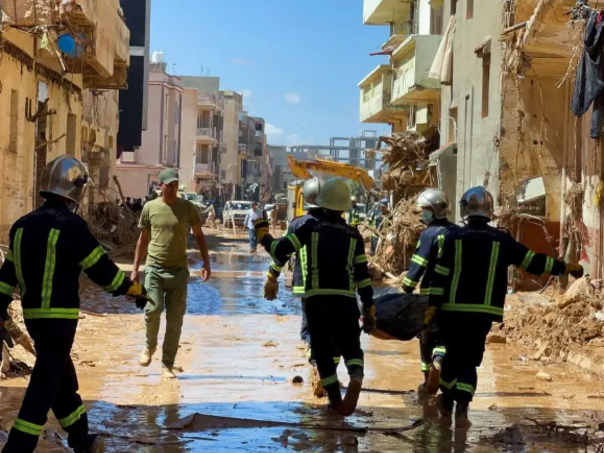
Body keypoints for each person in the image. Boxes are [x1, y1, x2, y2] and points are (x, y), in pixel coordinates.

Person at [0, 155, 148, 453]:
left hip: (33, 319)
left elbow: (6, 278)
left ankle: (82, 439)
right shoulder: (72, 226)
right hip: (60, 320)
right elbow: (102, 271)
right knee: (43, 387)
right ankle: (17, 448)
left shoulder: (21, 226)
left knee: (61, 378)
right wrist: (134, 289)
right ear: (76, 189)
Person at [430, 186, 584, 428]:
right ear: (490, 211)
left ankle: (447, 400)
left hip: (452, 310)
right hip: (483, 313)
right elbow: (532, 262)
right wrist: (565, 267)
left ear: (465, 209)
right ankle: (462, 409)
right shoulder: (502, 240)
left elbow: (439, 277)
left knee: (452, 356)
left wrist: (432, 308)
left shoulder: (452, 239)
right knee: (470, 360)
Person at [256, 179, 375, 416]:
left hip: (316, 299)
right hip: (346, 299)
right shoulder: (353, 234)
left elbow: (280, 251)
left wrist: (263, 236)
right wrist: (369, 308)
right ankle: (357, 376)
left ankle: (335, 401)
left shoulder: (308, 227)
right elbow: (363, 277)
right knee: (351, 346)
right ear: (344, 206)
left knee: (321, 351)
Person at [132, 168, 211, 379]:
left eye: (176, 184)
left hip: (178, 272)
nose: (173, 188)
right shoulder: (150, 207)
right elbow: (143, 239)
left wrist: (206, 263)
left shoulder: (187, 207)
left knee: (175, 320)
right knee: (152, 309)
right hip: (154, 269)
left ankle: (167, 364)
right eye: (169, 185)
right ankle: (149, 347)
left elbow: (200, 236)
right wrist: (135, 269)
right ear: (161, 186)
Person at [402, 188, 459, 395]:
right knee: (446, 336)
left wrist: (407, 287)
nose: (422, 214)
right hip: (454, 295)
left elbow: (419, 263)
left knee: (426, 336)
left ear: (436, 210)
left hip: (429, 294)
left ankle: (428, 380)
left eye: (425, 210)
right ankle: (441, 365)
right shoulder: (457, 232)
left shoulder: (428, 234)